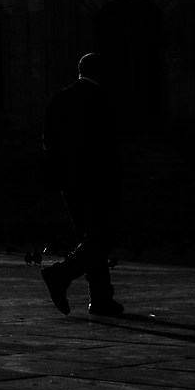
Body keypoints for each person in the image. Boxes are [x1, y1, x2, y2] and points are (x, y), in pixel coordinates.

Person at [40, 52, 124, 318]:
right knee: (102, 236)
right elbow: (108, 145)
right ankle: (60, 275)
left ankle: (100, 298)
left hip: (69, 182)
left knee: (88, 237)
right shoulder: (101, 99)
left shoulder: (59, 98)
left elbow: (48, 141)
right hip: (97, 181)